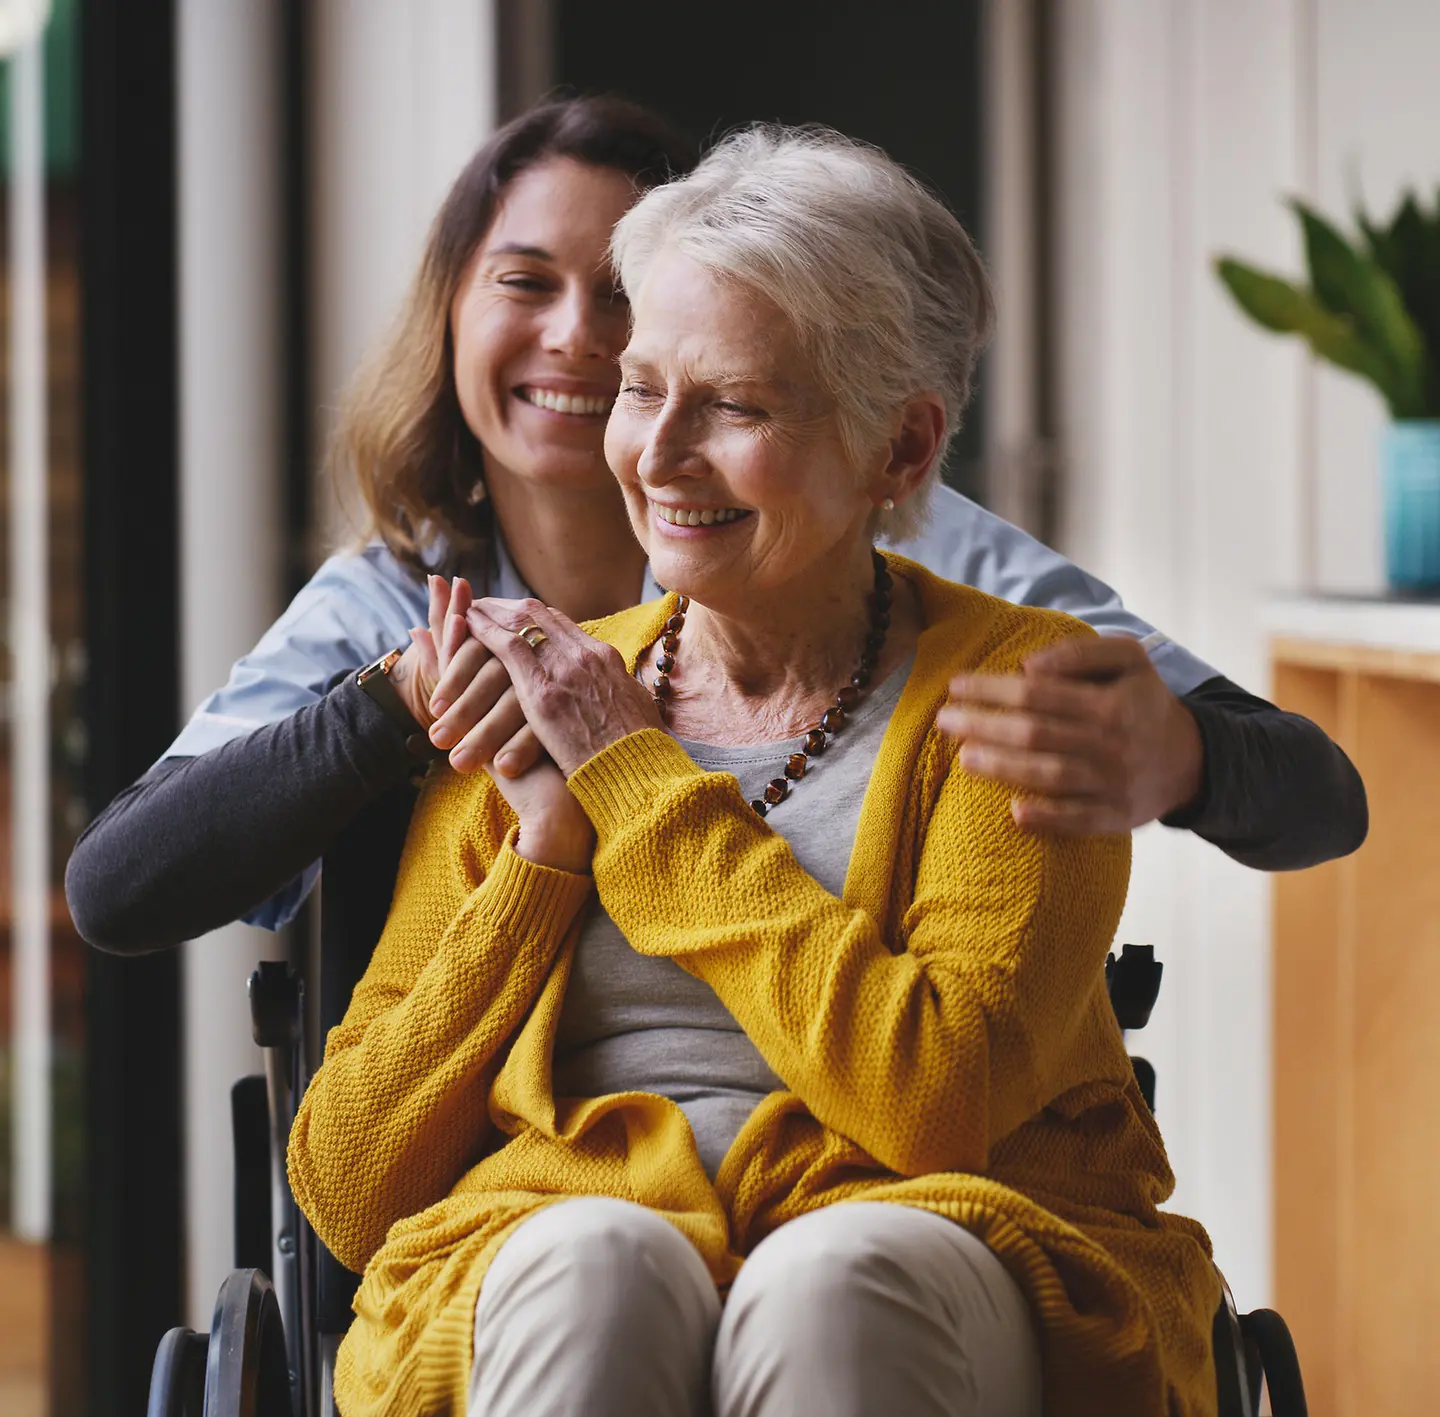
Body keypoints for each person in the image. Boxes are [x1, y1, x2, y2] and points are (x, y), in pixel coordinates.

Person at [289, 125, 1217, 1417]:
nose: (657, 456)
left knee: (836, 1282)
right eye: (640, 388)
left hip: (937, 1237)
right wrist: (546, 857)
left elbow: (932, 1098)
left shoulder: (1019, 693)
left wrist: (637, 787)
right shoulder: (547, 694)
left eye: (732, 407)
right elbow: (345, 1181)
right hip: (560, 1243)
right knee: (592, 1270)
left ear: (901, 452)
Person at [64, 94, 1366, 959]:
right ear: (451, 311)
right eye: (526, 283)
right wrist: (389, 709)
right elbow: (122, 886)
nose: (578, 336)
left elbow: (1316, 792)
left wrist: (1180, 757)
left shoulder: (919, 547)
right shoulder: (398, 602)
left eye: (629, 300)